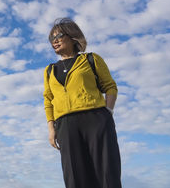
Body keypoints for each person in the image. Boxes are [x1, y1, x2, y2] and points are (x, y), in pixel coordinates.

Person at [43, 18, 122, 188]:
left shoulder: (91, 59)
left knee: (107, 174)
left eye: (58, 36)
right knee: (74, 178)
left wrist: (107, 112)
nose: (54, 41)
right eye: (51, 39)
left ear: (72, 37)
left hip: (96, 119)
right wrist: (51, 129)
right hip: (65, 125)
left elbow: (110, 86)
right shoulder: (50, 70)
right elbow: (48, 100)